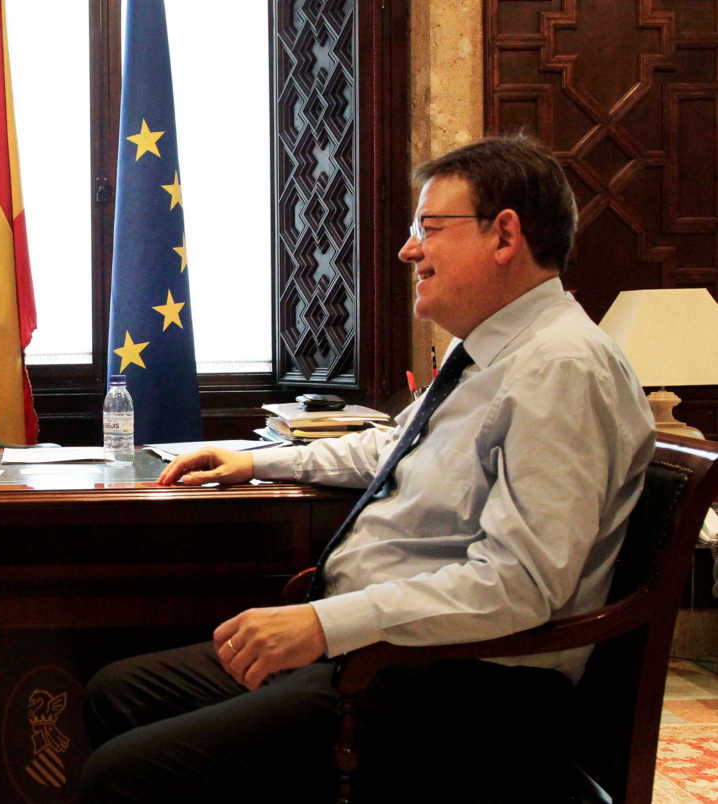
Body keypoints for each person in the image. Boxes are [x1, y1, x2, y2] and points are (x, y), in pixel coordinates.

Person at [79, 135, 655, 802]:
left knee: (120, 778)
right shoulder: (491, 353)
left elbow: (519, 586)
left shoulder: (563, 366)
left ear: (505, 235)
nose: (410, 249)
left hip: (462, 692)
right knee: (116, 695)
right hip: (387, 657)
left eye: (430, 229)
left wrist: (326, 625)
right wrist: (259, 462)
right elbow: (389, 448)